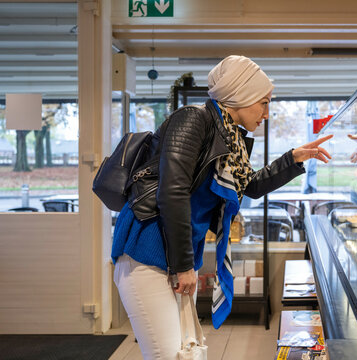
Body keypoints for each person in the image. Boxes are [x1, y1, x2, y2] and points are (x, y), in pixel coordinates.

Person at [111, 55, 333, 360]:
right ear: (240, 97)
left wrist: (292, 158)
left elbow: (249, 185)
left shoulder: (230, 136)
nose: (267, 113)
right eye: (263, 102)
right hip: (147, 254)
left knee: (186, 353)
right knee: (168, 354)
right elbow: (171, 192)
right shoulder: (193, 119)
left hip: (171, 256)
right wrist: (184, 265)